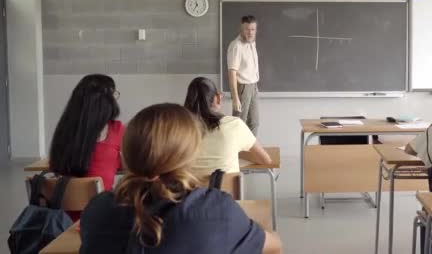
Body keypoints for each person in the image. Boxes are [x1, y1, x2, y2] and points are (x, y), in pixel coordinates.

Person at [80, 103, 283, 254]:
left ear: (126, 154)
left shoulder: (97, 210)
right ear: (191, 154)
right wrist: (249, 226)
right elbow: (274, 245)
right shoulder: (214, 210)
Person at [49, 74, 123, 193]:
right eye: (114, 94)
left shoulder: (64, 131)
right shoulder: (116, 130)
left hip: (64, 210)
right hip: (100, 210)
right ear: (106, 102)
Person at [184, 76, 272, 174]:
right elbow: (265, 159)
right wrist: (236, 152)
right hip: (225, 189)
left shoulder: (180, 129)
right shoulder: (234, 125)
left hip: (192, 188)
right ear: (217, 98)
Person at [227, 15, 260, 135]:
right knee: (239, 123)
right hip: (243, 87)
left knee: (254, 122)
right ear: (241, 29)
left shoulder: (252, 43)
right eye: (247, 29)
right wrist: (235, 97)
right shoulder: (236, 46)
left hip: (253, 86)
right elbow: (232, 72)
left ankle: (249, 152)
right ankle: (237, 153)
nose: (250, 33)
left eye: (253, 29)